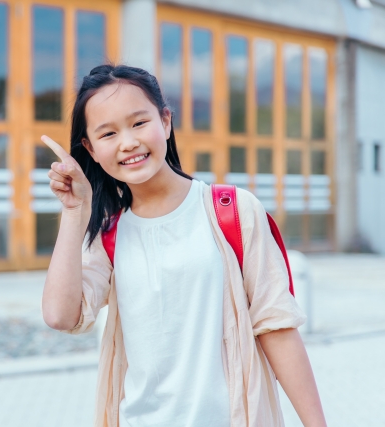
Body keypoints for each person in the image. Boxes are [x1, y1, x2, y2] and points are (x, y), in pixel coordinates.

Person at [40, 64, 326, 427]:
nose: (128, 142)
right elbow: (60, 316)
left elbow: (278, 327)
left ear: (166, 122)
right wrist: (75, 210)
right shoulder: (110, 235)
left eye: (139, 123)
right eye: (108, 133)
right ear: (91, 150)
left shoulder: (233, 212)